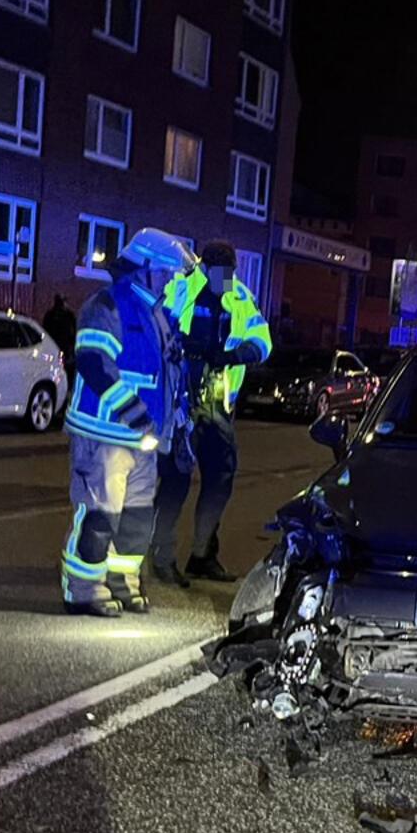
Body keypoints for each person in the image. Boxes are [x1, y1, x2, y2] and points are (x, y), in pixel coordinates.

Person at [58, 229, 196, 617]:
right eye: (168, 274)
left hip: (143, 438)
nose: (172, 282)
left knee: (135, 519)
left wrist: (177, 424)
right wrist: (136, 416)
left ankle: (122, 582)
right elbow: (94, 362)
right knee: (101, 514)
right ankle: (83, 588)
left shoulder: (157, 313)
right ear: (146, 269)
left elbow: (169, 375)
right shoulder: (108, 304)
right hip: (106, 435)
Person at [151, 239, 273, 586]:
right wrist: (184, 347)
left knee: (220, 478)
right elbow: (159, 330)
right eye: (219, 272)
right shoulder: (180, 287)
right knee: (175, 480)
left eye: (229, 273)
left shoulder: (239, 296)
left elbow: (263, 340)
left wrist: (237, 355)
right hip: (179, 402)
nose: (224, 279)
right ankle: (161, 556)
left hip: (217, 404)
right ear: (204, 266)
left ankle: (203, 555)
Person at [41, 293, 77, 380]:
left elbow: (74, 330)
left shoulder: (68, 315)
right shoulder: (51, 315)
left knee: (67, 368)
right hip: (56, 346)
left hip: (64, 347)